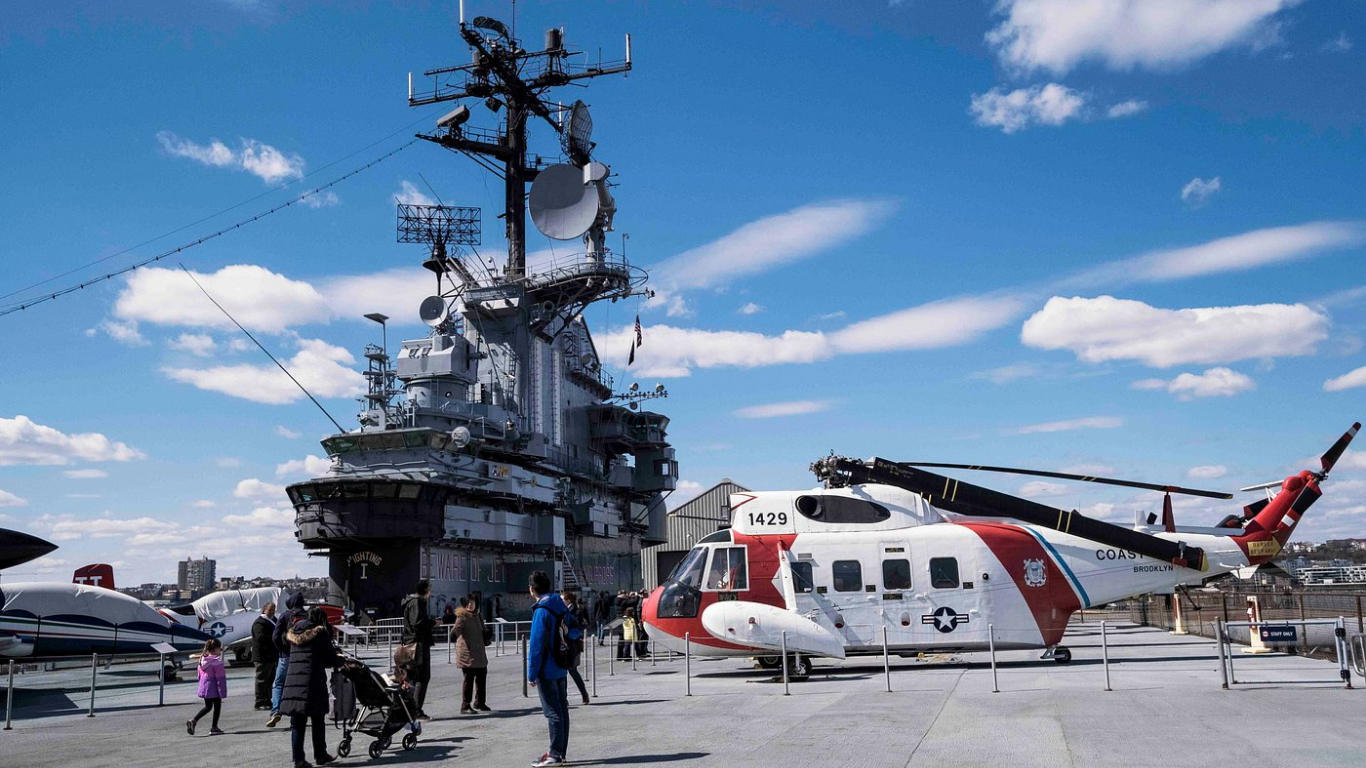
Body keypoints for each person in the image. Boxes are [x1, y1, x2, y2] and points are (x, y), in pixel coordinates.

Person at [280, 606, 343, 768]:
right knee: (318, 720)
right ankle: (320, 755)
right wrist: (340, 659)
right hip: (313, 681)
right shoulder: (320, 633)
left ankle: (298, 759)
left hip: (293, 682)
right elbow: (330, 659)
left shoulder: (293, 632)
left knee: (298, 723)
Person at [527, 570, 571, 767]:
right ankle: (561, 751)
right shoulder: (560, 606)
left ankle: (555, 753)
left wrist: (531, 673)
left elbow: (536, 645)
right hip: (561, 663)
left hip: (546, 668)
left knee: (552, 712)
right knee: (562, 709)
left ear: (532, 589)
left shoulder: (541, 611)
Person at [267, 591, 307, 728]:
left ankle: (276, 711)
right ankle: (295, 716)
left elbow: (275, 636)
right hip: (303, 656)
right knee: (298, 686)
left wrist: (282, 649)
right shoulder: (308, 615)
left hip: (286, 655)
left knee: (279, 684)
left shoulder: (285, 615)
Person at [402, 580, 436, 719]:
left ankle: (408, 709)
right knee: (422, 677)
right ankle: (414, 710)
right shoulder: (417, 602)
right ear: (426, 590)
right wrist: (434, 622)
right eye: (429, 589)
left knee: (412, 676)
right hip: (418, 644)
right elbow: (417, 622)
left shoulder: (410, 602)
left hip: (411, 643)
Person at [453, 595, 490, 714]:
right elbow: (455, 631)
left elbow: (483, 629)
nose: (470, 605)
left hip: (479, 652)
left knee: (481, 677)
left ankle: (480, 702)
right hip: (467, 653)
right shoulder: (462, 616)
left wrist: (488, 633)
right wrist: (453, 635)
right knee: (468, 679)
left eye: (472, 602)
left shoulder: (478, 615)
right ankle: (465, 705)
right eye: (468, 602)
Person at [187, 638, 227, 736]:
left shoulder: (202, 660)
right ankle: (214, 727)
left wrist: (202, 685)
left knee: (208, 707)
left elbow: (199, 675)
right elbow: (220, 679)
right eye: (219, 648)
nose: (220, 650)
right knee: (217, 706)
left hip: (205, 687)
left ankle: (194, 720)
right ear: (214, 649)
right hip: (214, 688)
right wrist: (222, 692)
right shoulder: (217, 662)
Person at [561, 591, 590, 705]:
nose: (561, 601)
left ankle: (583, 694)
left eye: (562, 599)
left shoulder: (573, 612)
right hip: (569, 644)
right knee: (567, 671)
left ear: (568, 600)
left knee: (571, 671)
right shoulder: (566, 611)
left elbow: (576, 628)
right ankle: (568, 697)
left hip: (572, 645)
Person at [251, 601, 278, 710]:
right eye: (270, 610)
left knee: (270, 679)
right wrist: (274, 636)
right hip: (262, 656)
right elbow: (260, 637)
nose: (272, 612)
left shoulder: (274, 620)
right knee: (261, 679)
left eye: (273, 610)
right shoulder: (260, 622)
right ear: (264, 610)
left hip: (271, 656)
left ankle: (267, 699)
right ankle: (259, 701)